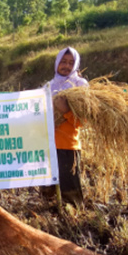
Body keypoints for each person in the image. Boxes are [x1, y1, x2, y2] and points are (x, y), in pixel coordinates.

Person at [48, 46, 89, 206]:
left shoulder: (80, 86)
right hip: (48, 145)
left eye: (71, 63)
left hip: (68, 145)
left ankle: (73, 222)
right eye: (63, 62)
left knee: (69, 190)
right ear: (57, 63)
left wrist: (65, 111)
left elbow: (83, 120)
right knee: (47, 190)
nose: (66, 66)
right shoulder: (48, 86)